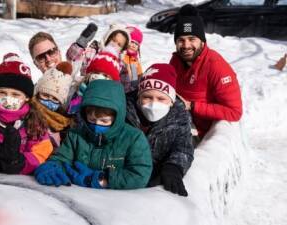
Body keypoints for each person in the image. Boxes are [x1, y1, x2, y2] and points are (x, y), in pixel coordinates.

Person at [34, 80, 153, 189]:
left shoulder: (133, 138)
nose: (97, 125)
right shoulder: (76, 135)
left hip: (117, 201)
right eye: (92, 119)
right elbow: (62, 157)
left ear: (118, 117)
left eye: (104, 121)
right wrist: (52, 166)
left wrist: (103, 179)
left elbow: (140, 173)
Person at [169, 4, 242, 139]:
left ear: (202, 41)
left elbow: (234, 112)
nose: (186, 45)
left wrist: (193, 106)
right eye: (181, 40)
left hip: (198, 134)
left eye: (192, 39)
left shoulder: (216, 66)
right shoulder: (175, 61)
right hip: (175, 124)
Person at [126, 63, 194, 196]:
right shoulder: (125, 110)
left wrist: (174, 167)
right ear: (138, 97)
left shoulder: (179, 116)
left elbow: (183, 146)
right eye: (147, 97)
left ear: (172, 101)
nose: (153, 104)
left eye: (161, 98)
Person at [31, 61, 74, 148]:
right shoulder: (28, 114)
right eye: (45, 95)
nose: (49, 101)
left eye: (55, 99)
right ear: (37, 93)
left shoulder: (64, 124)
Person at [122, 25, 144, 92]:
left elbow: (140, 75)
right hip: (120, 86)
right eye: (132, 42)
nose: (133, 45)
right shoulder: (121, 55)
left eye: (136, 44)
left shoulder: (135, 61)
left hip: (132, 89)